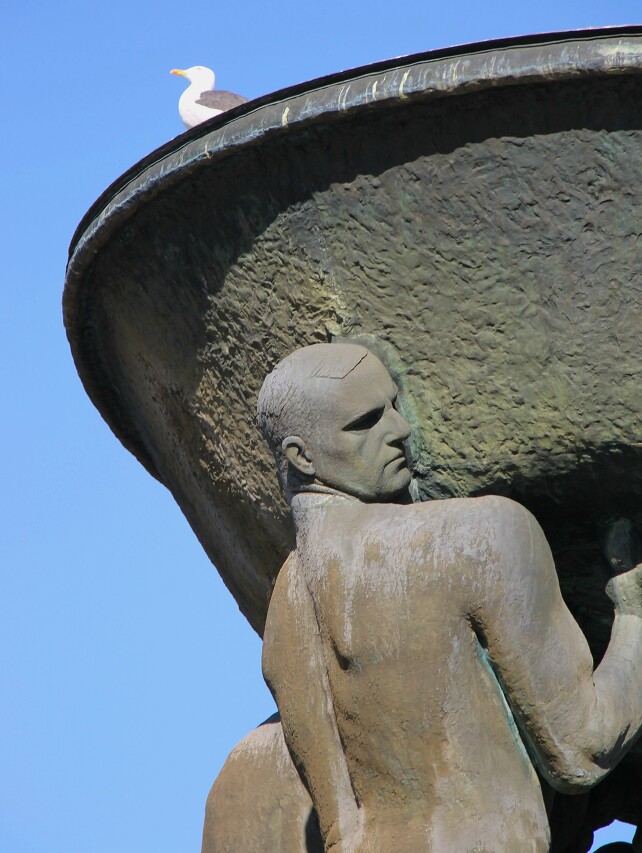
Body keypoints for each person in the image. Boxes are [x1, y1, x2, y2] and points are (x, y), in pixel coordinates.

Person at [258, 342, 642, 853]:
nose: (399, 430)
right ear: (301, 456)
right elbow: (580, 749)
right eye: (366, 422)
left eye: (395, 405)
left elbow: (339, 826)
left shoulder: (284, 612)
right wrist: (635, 615)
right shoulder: (478, 537)